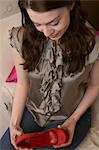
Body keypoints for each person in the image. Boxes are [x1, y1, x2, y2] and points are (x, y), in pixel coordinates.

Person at [0, 0, 99, 149]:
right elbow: (23, 83)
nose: (46, 33)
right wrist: (14, 124)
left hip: (72, 115)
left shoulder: (91, 41)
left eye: (54, 22)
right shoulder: (20, 37)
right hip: (34, 111)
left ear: (71, 5)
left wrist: (73, 120)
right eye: (37, 24)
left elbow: (95, 85)